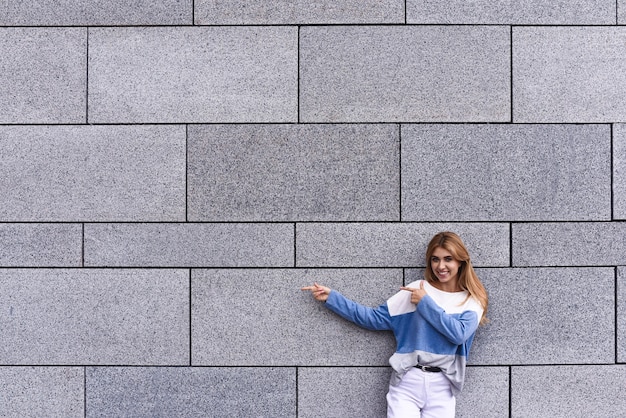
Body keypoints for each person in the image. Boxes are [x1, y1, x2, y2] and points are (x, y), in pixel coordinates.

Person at [301, 231, 488, 418]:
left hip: (443, 386)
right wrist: (333, 298)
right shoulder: (416, 289)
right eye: (435, 259)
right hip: (408, 382)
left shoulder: (471, 300)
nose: (441, 266)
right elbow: (373, 318)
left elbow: (459, 334)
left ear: (460, 261)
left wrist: (425, 303)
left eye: (448, 259)